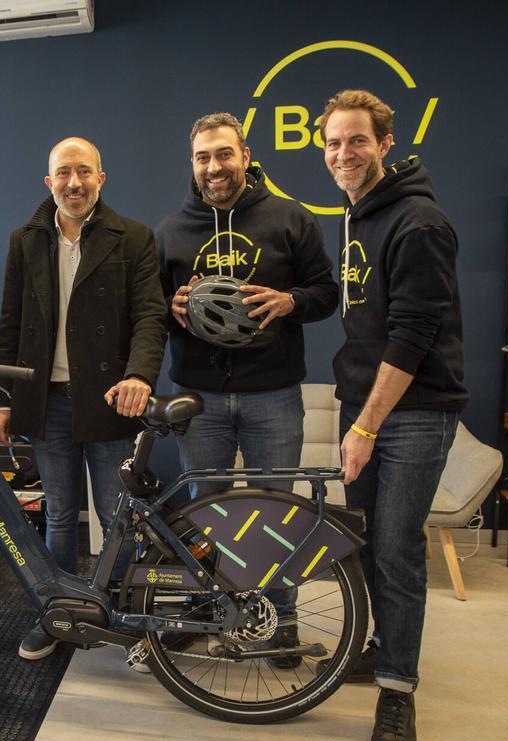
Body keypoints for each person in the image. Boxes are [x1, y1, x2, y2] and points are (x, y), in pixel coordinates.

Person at [156, 112, 338, 666]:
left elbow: (327, 293)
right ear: (192, 163)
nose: (214, 167)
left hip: (274, 395)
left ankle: (280, 623)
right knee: (202, 512)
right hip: (200, 398)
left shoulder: (290, 219)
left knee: (278, 514)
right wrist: (171, 308)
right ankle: (200, 610)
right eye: (203, 157)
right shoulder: (169, 231)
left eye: (224, 154)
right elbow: (151, 311)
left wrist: (290, 302)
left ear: (245, 154)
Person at [319, 88, 466, 741]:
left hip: (412, 414)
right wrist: (357, 416)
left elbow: (411, 338)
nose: (343, 152)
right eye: (333, 142)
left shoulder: (419, 223)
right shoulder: (355, 217)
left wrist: (367, 426)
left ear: (384, 142)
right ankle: (386, 648)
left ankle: (398, 692)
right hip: (366, 409)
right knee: (371, 541)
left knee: (398, 550)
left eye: (356, 140)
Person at [0, 137, 167, 661]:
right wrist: (4, 398)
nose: (74, 182)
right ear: (48, 183)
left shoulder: (132, 237)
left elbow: (151, 317)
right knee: (61, 513)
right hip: (47, 401)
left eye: (84, 172)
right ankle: (58, 613)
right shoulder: (24, 241)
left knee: (118, 516)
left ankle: (113, 613)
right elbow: (10, 325)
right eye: (63, 173)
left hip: (111, 399)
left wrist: (140, 375)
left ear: (101, 178)